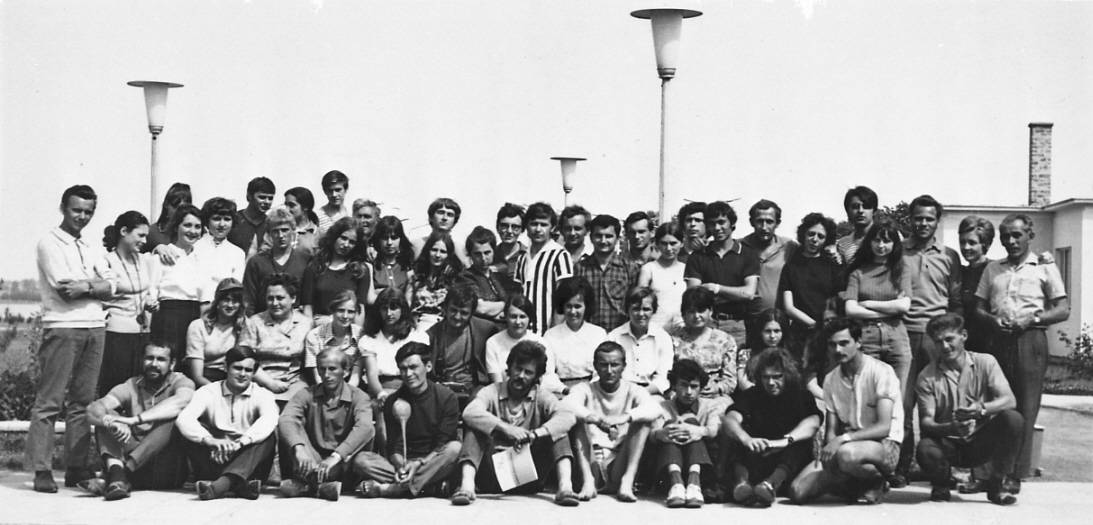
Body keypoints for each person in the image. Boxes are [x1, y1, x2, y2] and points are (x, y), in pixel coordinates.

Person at [29, 185, 117, 492]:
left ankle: (76, 468)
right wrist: (96, 286)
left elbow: (113, 285)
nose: (82, 216)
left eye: (88, 211)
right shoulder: (49, 243)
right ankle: (41, 469)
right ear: (63, 208)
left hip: (96, 326)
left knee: (82, 402)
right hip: (63, 326)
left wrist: (88, 287)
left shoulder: (91, 246)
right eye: (76, 210)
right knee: (49, 401)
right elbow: (65, 290)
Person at [975, 213, 1069, 483]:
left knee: (1027, 407)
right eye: (1006, 236)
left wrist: (1034, 319)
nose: (1011, 241)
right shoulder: (993, 268)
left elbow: (1062, 309)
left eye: (1017, 235)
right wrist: (992, 320)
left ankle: (1017, 473)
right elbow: (979, 308)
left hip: (1031, 340)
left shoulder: (1044, 266)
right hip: (998, 340)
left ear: (1030, 235)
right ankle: (990, 471)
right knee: (997, 405)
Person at [788, 317, 903, 505]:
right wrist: (831, 447)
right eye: (832, 345)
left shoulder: (881, 371)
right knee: (797, 491)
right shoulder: (831, 379)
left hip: (883, 446)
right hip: (848, 445)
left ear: (858, 342)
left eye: (844, 343)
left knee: (845, 456)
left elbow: (883, 427)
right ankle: (855, 485)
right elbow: (832, 428)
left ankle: (878, 480)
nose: (838, 350)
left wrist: (842, 440)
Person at [453, 340, 580, 506]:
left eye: (528, 372)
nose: (521, 376)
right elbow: (470, 412)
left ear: (536, 377)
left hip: (529, 476)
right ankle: (467, 487)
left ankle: (565, 488)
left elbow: (568, 416)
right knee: (475, 428)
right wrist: (505, 428)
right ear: (509, 368)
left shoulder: (542, 396)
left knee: (558, 431)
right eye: (518, 369)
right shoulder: (492, 391)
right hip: (492, 476)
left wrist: (536, 434)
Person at [915, 313, 1023, 505]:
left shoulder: (986, 362)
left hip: (980, 442)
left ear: (963, 335)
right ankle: (941, 484)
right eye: (939, 342)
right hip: (948, 443)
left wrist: (981, 409)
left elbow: (1009, 400)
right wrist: (951, 427)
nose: (945, 347)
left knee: (1012, 419)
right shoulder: (926, 377)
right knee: (925, 448)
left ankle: (997, 484)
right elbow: (926, 422)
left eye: (950, 339)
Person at [897, 194, 963, 485]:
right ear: (910, 220)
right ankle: (901, 466)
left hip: (937, 338)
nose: (923, 223)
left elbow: (957, 301)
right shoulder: (897, 251)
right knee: (904, 401)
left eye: (929, 218)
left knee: (938, 403)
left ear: (937, 221)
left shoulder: (949, 256)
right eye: (918, 218)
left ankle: (937, 467)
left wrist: (950, 336)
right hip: (904, 333)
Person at [83, 341, 195, 499]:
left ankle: (118, 476)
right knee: (106, 416)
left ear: (172, 364)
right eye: (149, 358)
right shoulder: (132, 384)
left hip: (165, 469)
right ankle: (117, 476)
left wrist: (134, 420)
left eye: (161, 359)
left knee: (173, 419)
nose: (154, 364)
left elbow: (182, 401)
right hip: (135, 457)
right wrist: (112, 421)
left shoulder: (181, 381)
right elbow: (93, 409)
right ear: (142, 360)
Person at [355, 342, 462, 498]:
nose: (408, 374)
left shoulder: (447, 397)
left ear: (428, 366)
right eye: (403, 369)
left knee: (455, 448)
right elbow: (394, 447)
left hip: (432, 461)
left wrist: (419, 463)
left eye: (413, 367)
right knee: (361, 460)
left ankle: (393, 489)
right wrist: (401, 467)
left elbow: (442, 444)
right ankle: (428, 487)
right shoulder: (392, 401)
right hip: (406, 464)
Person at [176, 346, 279, 500]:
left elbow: (268, 420)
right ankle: (239, 485)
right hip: (215, 456)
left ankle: (220, 486)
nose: (243, 374)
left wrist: (239, 443)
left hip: (247, 460)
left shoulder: (263, 395)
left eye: (248, 370)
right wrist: (210, 440)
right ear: (225, 367)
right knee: (188, 429)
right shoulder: (208, 391)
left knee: (267, 437)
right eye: (237, 368)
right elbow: (184, 419)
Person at [723, 348, 820, 507]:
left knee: (799, 443)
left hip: (787, 463)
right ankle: (742, 485)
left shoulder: (801, 396)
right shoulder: (751, 395)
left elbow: (813, 422)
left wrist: (784, 441)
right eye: (765, 377)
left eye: (777, 377)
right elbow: (730, 419)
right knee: (738, 436)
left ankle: (770, 485)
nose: (771, 382)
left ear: (787, 375)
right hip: (758, 456)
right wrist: (746, 439)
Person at [564, 341, 660, 502]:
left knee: (643, 422)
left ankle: (627, 482)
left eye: (614, 365)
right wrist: (593, 418)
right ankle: (588, 483)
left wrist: (626, 416)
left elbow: (655, 408)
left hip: (619, 461)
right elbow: (566, 404)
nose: (609, 371)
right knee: (577, 420)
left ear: (624, 366)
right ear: (595, 366)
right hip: (591, 459)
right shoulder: (586, 388)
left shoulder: (633, 389)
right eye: (603, 365)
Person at [278, 348, 375, 501]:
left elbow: (365, 427)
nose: (327, 375)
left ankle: (308, 487)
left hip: (342, 463)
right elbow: (286, 419)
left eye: (332, 369)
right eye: (322, 369)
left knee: (366, 432)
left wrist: (337, 456)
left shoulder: (359, 396)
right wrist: (299, 448)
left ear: (346, 371)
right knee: (292, 424)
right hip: (313, 461)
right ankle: (322, 488)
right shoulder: (306, 394)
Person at [843, 219, 912, 423]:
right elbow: (850, 309)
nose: (881, 246)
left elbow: (904, 306)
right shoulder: (858, 271)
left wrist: (868, 304)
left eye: (887, 241)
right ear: (869, 242)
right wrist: (889, 310)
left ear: (894, 244)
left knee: (896, 398)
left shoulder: (901, 268)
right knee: (868, 397)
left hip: (897, 337)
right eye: (877, 240)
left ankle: (896, 452)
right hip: (867, 336)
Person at [650, 359, 727, 508]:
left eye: (694, 386)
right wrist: (661, 434)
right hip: (667, 467)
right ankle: (676, 483)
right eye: (683, 385)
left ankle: (694, 483)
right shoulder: (662, 407)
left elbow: (713, 430)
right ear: (674, 386)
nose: (689, 392)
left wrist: (697, 431)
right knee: (672, 425)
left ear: (701, 388)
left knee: (691, 422)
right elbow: (653, 432)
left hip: (703, 469)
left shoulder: (710, 406)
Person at [684, 201, 760, 348]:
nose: (717, 228)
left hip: (737, 325)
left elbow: (749, 293)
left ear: (732, 224)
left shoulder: (747, 254)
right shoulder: (698, 256)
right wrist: (734, 293)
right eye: (712, 223)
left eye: (721, 222)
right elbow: (694, 294)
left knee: (736, 368)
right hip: (706, 323)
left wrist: (716, 288)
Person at [98, 211, 155, 396]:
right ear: (124, 231)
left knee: (138, 392)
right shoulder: (106, 262)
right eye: (141, 235)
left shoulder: (144, 260)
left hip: (142, 334)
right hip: (117, 336)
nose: (144, 241)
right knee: (114, 390)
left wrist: (149, 302)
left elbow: (147, 290)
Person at [777, 212, 843, 360]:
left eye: (821, 236)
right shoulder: (791, 267)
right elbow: (789, 307)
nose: (815, 239)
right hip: (800, 333)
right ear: (803, 235)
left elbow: (838, 300)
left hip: (828, 331)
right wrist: (814, 325)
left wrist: (826, 327)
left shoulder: (832, 266)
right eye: (811, 234)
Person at [240, 273, 312, 407]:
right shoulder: (254, 322)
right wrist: (269, 383)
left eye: (280, 298)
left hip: (294, 383)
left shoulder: (305, 324)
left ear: (293, 298)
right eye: (270, 298)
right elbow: (244, 358)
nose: (274, 303)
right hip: (260, 382)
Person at [149, 204, 208, 364]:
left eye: (197, 226)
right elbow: (152, 290)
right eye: (187, 225)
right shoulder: (163, 255)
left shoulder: (201, 258)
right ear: (176, 227)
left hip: (194, 316)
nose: (192, 231)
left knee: (190, 363)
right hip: (169, 317)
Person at [427, 285, 499, 404]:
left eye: (464, 313)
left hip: (474, 387)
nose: (457, 317)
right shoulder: (433, 334)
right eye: (453, 310)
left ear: (472, 313)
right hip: (443, 387)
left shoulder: (485, 329)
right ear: (445, 308)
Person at [739, 199, 798, 348]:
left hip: (780, 324)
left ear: (777, 223)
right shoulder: (740, 246)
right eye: (759, 221)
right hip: (749, 322)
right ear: (752, 222)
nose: (764, 227)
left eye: (769, 221)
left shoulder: (790, 247)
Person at [669, 287, 737, 405]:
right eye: (691, 311)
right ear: (683, 314)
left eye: (701, 310)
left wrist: (716, 388)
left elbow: (730, 380)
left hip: (714, 397)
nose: (696, 316)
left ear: (710, 311)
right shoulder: (671, 340)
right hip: (680, 396)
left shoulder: (725, 340)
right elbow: (666, 374)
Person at [514, 202, 574, 335]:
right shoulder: (523, 257)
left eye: (544, 224)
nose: (538, 229)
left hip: (548, 330)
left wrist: (553, 332)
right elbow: (518, 295)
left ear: (552, 227)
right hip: (524, 329)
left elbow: (564, 297)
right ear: (527, 227)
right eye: (534, 224)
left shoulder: (560, 255)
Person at [300, 217, 374, 324]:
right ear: (334, 236)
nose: (346, 244)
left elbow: (360, 310)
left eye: (352, 242)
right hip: (319, 330)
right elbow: (307, 308)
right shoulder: (315, 267)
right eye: (343, 238)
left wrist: (356, 335)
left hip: (347, 329)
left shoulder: (360, 270)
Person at [574, 214, 640, 332]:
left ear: (617, 238)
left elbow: (635, 304)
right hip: (588, 334)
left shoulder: (630, 268)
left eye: (608, 236)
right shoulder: (580, 268)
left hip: (620, 334)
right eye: (598, 236)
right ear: (591, 238)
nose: (603, 241)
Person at [241, 206, 312, 315]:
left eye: (285, 230)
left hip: (295, 322)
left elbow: (308, 300)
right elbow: (248, 300)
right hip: (263, 321)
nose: (281, 236)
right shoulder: (257, 262)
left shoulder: (304, 259)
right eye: (275, 231)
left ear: (293, 231)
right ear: (269, 234)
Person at [543, 277, 607, 393]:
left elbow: (601, 371)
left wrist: (588, 391)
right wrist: (565, 390)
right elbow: (548, 374)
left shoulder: (598, 334)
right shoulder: (550, 336)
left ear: (586, 306)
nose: (573, 312)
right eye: (569, 306)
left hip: (594, 392)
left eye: (577, 306)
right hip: (561, 392)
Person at [610, 287, 674, 396]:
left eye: (646, 309)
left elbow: (664, 378)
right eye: (635, 309)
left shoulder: (662, 338)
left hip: (651, 392)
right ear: (627, 310)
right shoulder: (614, 337)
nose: (640, 314)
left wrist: (641, 393)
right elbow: (601, 374)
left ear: (653, 310)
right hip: (619, 392)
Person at [185, 278, 245, 387]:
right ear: (217, 301)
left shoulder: (242, 326)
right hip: (204, 381)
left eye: (235, 301)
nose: (230, 305)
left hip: (232, 380)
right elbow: (197, 376)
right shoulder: (198, 326)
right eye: (226, 300)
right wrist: (218, 392)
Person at [457, 225, 518, 323]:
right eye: (477, 254)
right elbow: (481, 308)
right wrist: (507, 304)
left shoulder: (500, 277)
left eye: (487, 253)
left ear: (494, 251)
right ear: (470, 255)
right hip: (480, 330)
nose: (483, 258)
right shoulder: (465, 277)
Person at [304, 291, 364, 388]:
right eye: (340, 310)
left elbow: (355, 376)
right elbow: (317, 375)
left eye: (351, 312)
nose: (345, 316)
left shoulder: (360, 335)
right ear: (332, 311)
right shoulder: (315, 336)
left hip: (351, 387)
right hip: (322, 386)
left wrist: (345, 395)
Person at [485, 294, 550, 384]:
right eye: (513, 316)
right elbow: (497, 383)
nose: (518, 322)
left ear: (529, 318)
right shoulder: (493, 343)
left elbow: (547, 377)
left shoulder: (540, 341)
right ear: (506, 317)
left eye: (522, 317)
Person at [192, 197, 246, 304]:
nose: (222, 224)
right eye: (216, 219)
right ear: (207, 220)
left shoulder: (237, 253)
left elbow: (235, 286)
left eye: (227, 219)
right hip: (194, 306)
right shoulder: (194, 247)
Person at [408, 232, 464, 331]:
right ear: (427, 250)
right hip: (416, 325)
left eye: (443, 252)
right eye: (434, 250)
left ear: (449, 255)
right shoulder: (415, 275)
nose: (437, 255)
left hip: (441, 327)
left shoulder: (454, 279)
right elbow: (407, 305)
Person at [957, 215, 996, 354]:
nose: (966, 247)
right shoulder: (960, 272)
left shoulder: (995, 270)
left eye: (972, 243)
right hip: (964, 345)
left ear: (985, 244)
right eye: (962, 242)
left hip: (990, 344)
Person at [639, 223, 686, 330]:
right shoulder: (649, 269)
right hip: (655, 328)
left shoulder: (686, 269)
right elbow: (641, 301)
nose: (669, 248)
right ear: (657, 244)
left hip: (682, 328)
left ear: (682, 243)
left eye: (673, 243)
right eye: (664, 243)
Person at [228, 177, 276, 257]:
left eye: (270, 198)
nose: (267, 202)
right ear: (249, 196)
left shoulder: (271, 224)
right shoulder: (233, 220)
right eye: (262, 197)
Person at [371, 215, 415, 295]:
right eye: (385, 238)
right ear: (378, 239)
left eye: (394, 238)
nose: (389, 243)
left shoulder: (408, 265)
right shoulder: (372, 265)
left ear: (401, 239)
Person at [411, 197, 466, 262]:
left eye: (450, 215)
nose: (445, 218)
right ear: (431, 217)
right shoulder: (416, 245)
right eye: (441, 212)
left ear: (454, 222)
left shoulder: (460, 250)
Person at [144, 182, 192, 253]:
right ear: (166, 205)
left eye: (185, 209)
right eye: (176, 207)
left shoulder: (192, 232)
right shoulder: (152, 232)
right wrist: (156, 249)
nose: (180, 212)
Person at [835, 186, 877, 265]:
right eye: (855, 207)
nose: (860, 211)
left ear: (874, 211)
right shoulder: (842, 244)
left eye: (866, 206)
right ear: (847, 211)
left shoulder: (890, 236)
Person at [492, 202, 527, 279]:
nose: (509, 231)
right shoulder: (489, 255)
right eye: (504, 226)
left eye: (515, 227)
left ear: (522, 230)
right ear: (497, 227)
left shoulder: (530, 256)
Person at [284, 186, 321, 256]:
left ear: (305, 207)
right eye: (286, 205)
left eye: (291, 205)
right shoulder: (278, 230)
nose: (286, 209)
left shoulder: (317, 234)